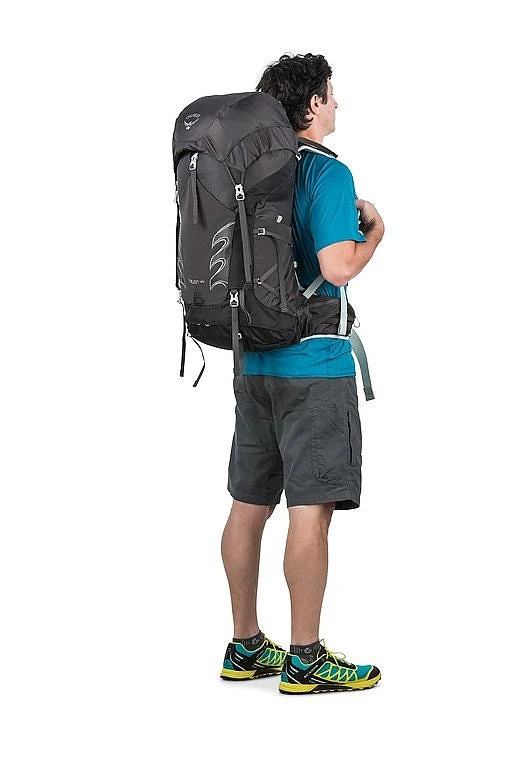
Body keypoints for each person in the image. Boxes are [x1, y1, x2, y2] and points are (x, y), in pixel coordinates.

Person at [220, 53, 385, 694]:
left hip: (252, 360)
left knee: (248, 504)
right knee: (310, 509)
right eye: (330, 95)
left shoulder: (244, 171)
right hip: (314, 366)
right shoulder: (326, 172)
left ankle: (244, 646)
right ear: (312, 104)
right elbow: (338, 267)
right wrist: (375, 235)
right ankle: (306, 657)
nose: (337, 104)